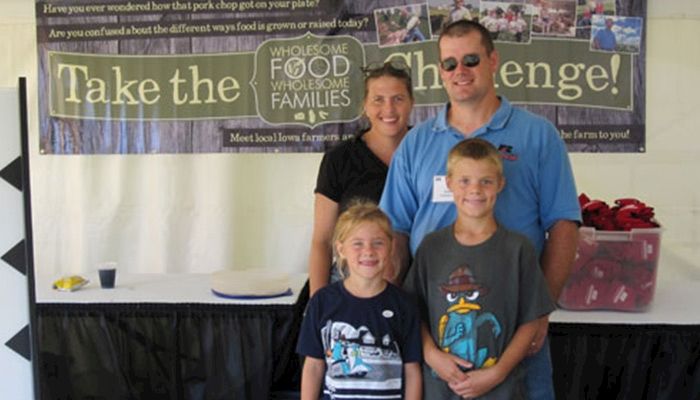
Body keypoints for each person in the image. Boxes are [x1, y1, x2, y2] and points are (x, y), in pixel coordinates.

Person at [379, 20, 580, 399]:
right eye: (450, 63)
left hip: (516, 328)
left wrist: (540, 315)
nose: (461, 71)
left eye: (471, 59)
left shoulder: (538, 136)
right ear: (440, 71)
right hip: (436, 336)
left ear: (493, 60)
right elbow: (396, 232)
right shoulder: (415, 144)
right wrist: (398, 314)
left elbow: (564, 225)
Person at [404, 138, 555, 398]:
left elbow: (531, 320)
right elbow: (413, 312)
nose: (475, 190)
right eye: (465, 181)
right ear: (449, 183)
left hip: (501, 389)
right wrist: (431, 355)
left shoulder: (518, 249)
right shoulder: (431, 247)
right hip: (441, 389)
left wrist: (498, 372)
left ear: (500, 184)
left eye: (485, 181)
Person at [307, 61, 414, 296]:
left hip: (416, 285)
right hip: (353, 288)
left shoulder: (427, 152)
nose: (389, 109)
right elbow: (322, 241)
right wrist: (318, 306)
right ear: (365, 105)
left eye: (398, 98)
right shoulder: (340, 159)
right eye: (378, 99)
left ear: (411, 103)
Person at [297, 202, 423, 400]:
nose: (368, 251)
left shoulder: (404, 306)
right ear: (341, 249)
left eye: (378, 243)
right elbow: (313, 366)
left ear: (391, 247)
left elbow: (412, 371)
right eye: (358, 243)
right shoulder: (322, 302)